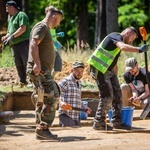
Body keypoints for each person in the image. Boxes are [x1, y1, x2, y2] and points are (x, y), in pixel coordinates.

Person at [87, 26, 149, 130]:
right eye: (132, 39)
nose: (131, 41)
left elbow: (113, 62)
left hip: (108, 70)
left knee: (117, 94)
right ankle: (99, 122)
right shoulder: (115, 36)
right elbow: (123, 47)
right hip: (99, 68)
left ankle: (117, 121)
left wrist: (115, 78)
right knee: (107, 96)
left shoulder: (117, 44)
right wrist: (139, 49)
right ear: (127, 33)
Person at [27, 6, 63, 140]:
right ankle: (43, 128)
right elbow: (33, 44)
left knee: (41, 98)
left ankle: (40, 130)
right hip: (40, 70)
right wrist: (37, 63)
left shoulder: (45, 28)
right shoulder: (42, 27)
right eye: (58, 20)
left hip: (42, 70)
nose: (58, 24)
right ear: (54, 17)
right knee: (53, 96)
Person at [1, 1, 30, 88]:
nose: (6, 11)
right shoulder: (11, 18)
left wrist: (12, 36)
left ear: (12, 7)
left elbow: (23, 28)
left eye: (7, 8)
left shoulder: (21, 15)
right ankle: (23, 82)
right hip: (15, 45)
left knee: (27, 63)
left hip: (23, 43)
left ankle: (34, 82)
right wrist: (6, 37)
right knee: (19, 64)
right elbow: (10, 32)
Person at [58, 61, 92, 127]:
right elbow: (55, 94)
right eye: (77, 71)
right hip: (66, 115)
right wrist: (60, 102)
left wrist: (84, 107)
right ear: (72, 70)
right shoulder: (66, 81)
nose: (80, 73)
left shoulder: (79, 83)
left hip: (76, 116)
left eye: (81, 71)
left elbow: (76, 99)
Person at [45, 6, 64, 78]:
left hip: (55, 50)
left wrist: (57, 35)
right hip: (49, 51)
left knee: (58, 67)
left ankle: (51, 79)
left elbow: (52, 35)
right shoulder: (45, 26)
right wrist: (54, 43)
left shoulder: (52, 27)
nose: (58, 24)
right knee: (48, 68)